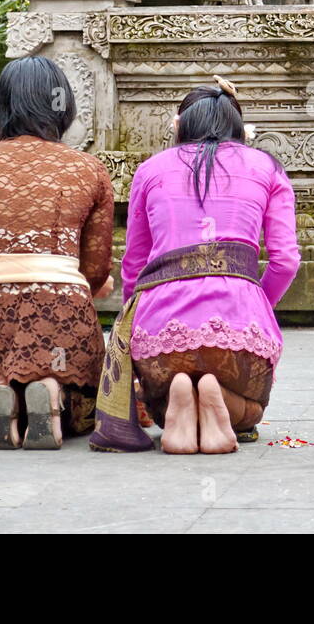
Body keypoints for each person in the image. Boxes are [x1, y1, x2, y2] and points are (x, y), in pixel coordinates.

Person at [96, 76, 299, 454]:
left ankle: (174, 400)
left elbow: (134, 265)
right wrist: (256, 303)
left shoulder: (150, 169)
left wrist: (137, 316)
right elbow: (285, 260)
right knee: (252, 410)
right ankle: (222, 401)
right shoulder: (268, 168)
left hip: (161, 331)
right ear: (239, 129)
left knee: (159, 395)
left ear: (180, 126)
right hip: (239, 330)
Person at [0, 56, 115, 450]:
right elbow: (96, 267)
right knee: (76, 385)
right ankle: (52, 392)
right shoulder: (88, 168)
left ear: (4, 107)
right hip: (62, 307)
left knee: (3, 351)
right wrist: (89, 285)